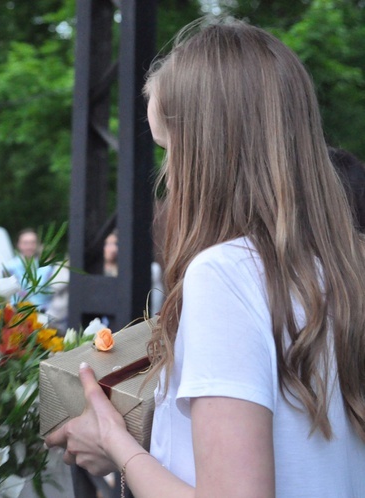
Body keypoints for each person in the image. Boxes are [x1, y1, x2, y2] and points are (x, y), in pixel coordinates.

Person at [46, 19, 365, 497]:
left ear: (208, 151)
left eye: (171, 150)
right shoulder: (342, 267)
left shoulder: (227, 274)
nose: (170, 176)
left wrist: (116, 442)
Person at [3, 228, 54, 311]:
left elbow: (52, 294)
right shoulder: (9, 267)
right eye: (25, 243)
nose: (29, 246)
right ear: (19, 244)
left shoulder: (47, 269)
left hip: (41, 315)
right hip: (15, 313)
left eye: (33, 243)